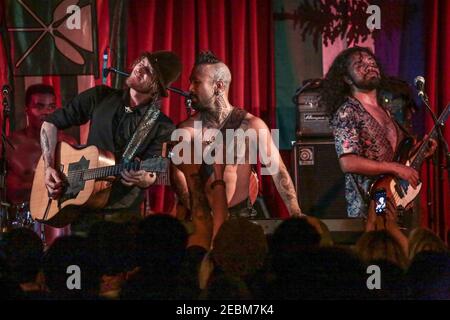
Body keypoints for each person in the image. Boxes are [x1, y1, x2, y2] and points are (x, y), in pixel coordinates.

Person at [40, 51, 181, 234]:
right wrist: (48, 167)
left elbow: (151, 171)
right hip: (83, 209)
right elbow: (50, 123)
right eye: (141, 62)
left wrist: (145, 178)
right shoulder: (101, 95)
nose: (139, 69)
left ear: (157, 87)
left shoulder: (162, 125)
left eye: (148, 70)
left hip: (123, 216)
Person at [171, 51, 303, 238]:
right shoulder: (186, 129)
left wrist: (295, 212)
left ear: (218, 86)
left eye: (196, 82)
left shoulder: (252, 125)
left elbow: (277, 170)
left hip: (241, 220)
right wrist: (197, 210)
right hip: (203, 220)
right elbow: (178, 174)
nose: (189, 88)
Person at [321, 46, 436, 220]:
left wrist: (418, 154)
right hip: (369, 207)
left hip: (398, 202)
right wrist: (395, 168)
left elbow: (395, 158)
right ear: (346, 78)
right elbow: (348, 162)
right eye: (360, 64)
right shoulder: (347, 111)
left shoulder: (386, 111)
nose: (369, 66)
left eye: (371, 61)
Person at [6, 84, 77, 243]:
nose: (47, 112)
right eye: (39, 106)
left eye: (51, 106)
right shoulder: (10, 145)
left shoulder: (68, 143)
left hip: (58, 221)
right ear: (27, 110)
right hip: (21, 226)